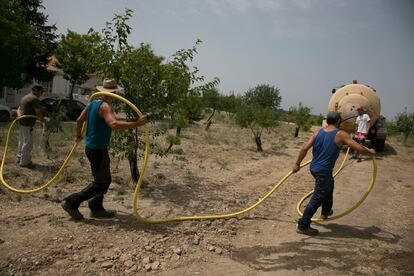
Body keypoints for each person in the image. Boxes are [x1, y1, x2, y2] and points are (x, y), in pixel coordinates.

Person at [61, 79, 147, 220]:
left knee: (106, 179)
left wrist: (78, 134)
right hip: (97, 149)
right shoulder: (105, 106)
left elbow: (79, 120)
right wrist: (137, 124)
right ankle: (71, 202)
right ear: (113, 93)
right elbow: (114, 124)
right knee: (100, 182)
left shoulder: (92, 103)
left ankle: (96, 207)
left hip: (93, 148)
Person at [293, 111, 375, 235]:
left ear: (327, 121)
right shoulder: (341, 134)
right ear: (338, 122)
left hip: (314, 168)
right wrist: (371, 152)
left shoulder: (318, 132)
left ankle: (325, 212)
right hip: (323, 171)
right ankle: (303, 225)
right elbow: (358, 148)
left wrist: (297, 164)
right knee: (318, 196)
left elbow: (304, 148)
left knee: (329, 186)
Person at [16, 85, 45, 167]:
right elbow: (38, 112)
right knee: (27, 142)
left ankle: (19, 158)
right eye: (41, 92)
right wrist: (43, 119)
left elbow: (19, 108)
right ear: (35, 91)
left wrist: (18, 116)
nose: (41, 94)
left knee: (22, 141)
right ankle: (24, 162)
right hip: (28, 123)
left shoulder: (25, 97)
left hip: (22, 122)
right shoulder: (34, 99)